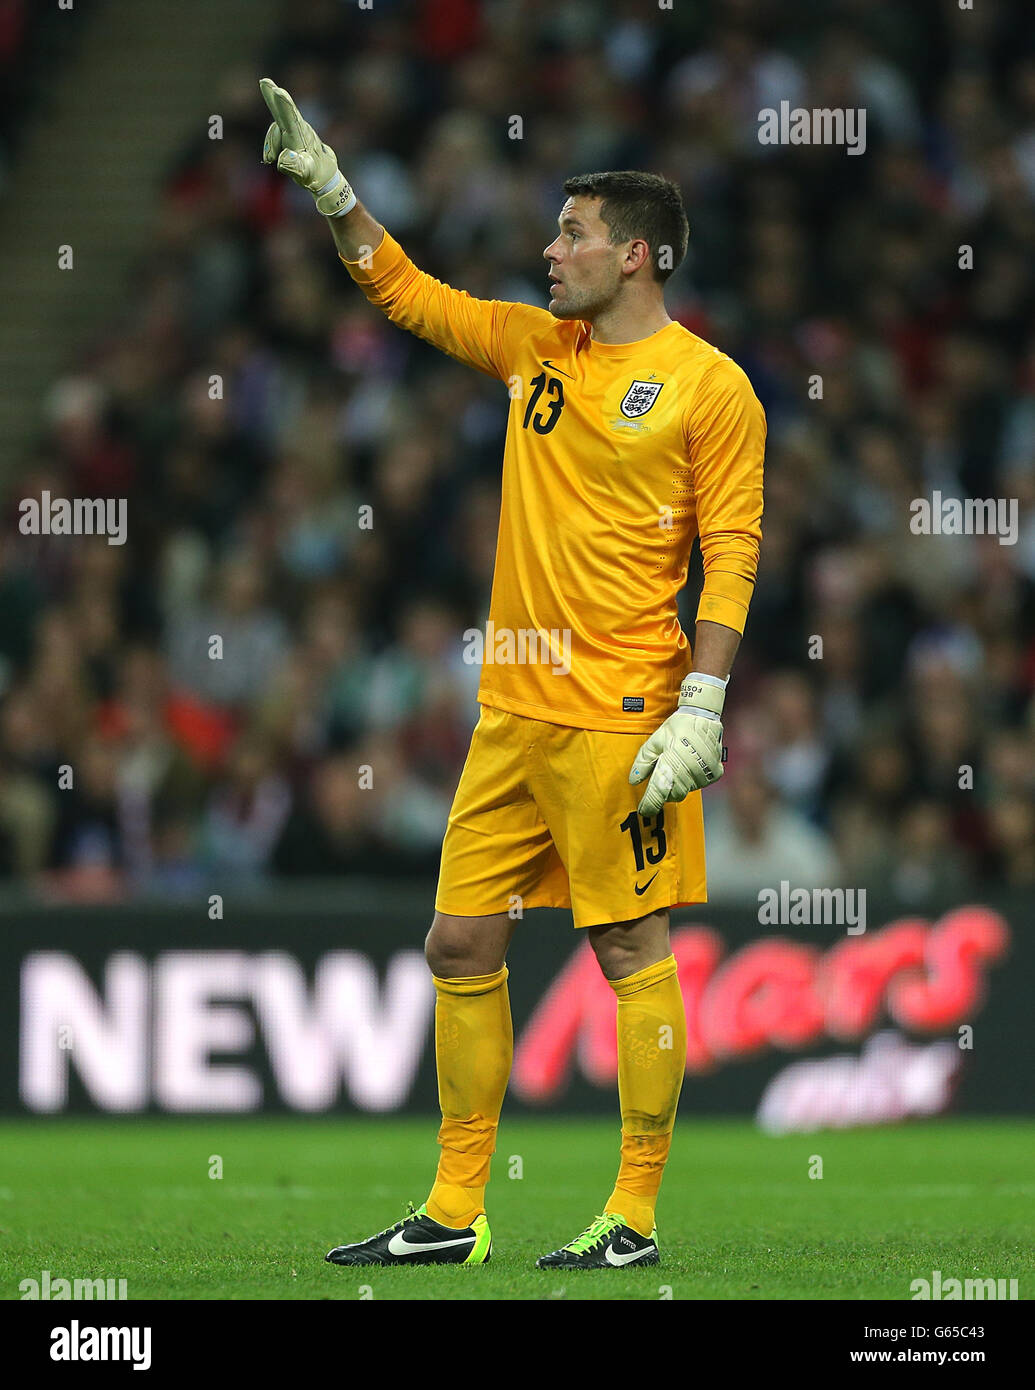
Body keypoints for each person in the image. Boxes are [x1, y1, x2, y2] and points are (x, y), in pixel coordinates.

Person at [259, 79, 765, 1270]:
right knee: (457, 943)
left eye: (572, 234)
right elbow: (407, 292)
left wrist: (707, 695)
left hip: (620, 717)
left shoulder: (712, 388)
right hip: (512, 713)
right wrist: (332, 189)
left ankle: (633, 1218)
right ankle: (454, 1210)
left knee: (631, 953)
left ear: (637, 254)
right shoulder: (537, 348)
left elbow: (733, 549)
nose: (549, 250)